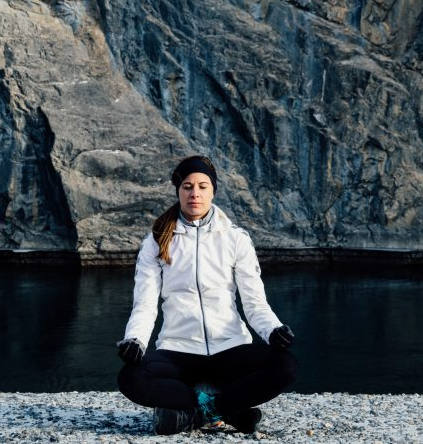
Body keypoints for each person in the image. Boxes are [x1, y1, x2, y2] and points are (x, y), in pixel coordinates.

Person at [116, 155, 299, 435]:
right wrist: (136, 341)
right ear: (178, 190)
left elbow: (254, 303)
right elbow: (145, 304)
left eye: (203, 186)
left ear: (213, 190)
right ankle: (228, 410)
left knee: (285, 366)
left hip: (231, 348)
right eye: (188, 186)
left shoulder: (236, 238)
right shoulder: (156, 241)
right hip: (177, 351)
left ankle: (194, 412)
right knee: (131, 377)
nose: (195, 193)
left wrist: (273, 330)